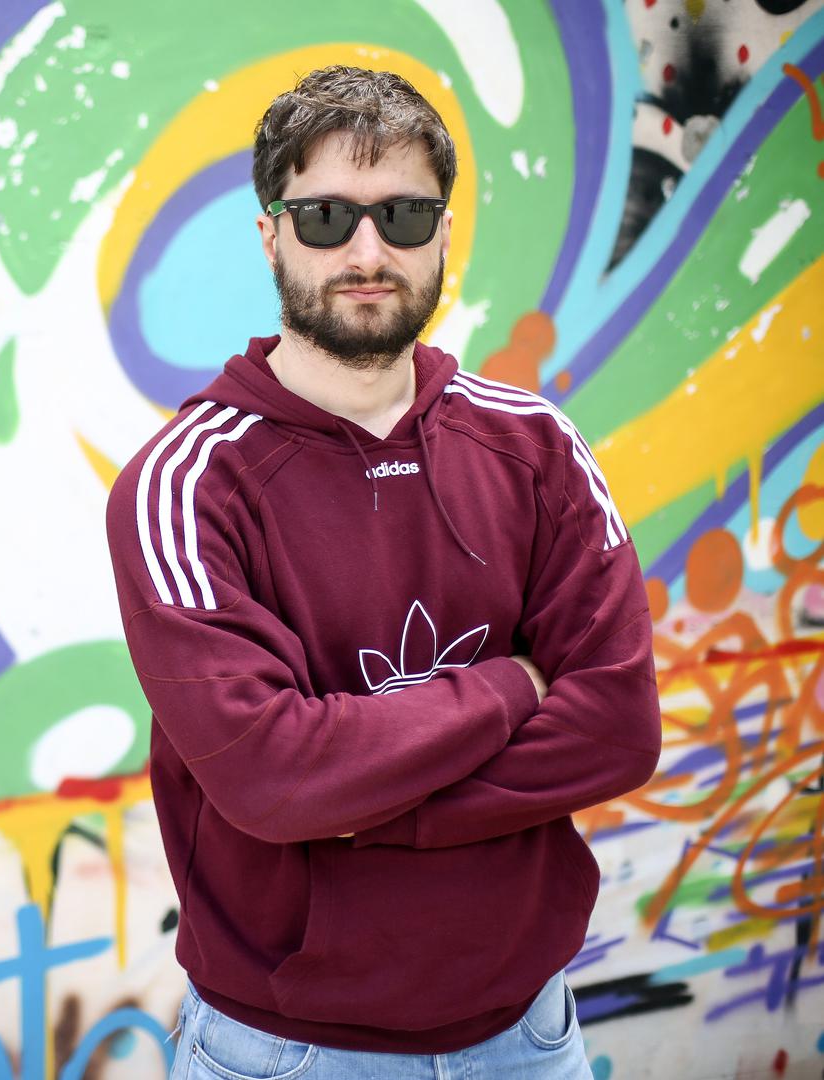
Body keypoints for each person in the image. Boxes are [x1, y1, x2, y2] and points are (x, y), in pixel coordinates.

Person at [103, 66, 661, 1078]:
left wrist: (353, 804)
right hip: (286, 1052)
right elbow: (270, 777)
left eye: (403, 215)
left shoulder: (534, 447)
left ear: (442, 233)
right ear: (269, 235)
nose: (366, 253)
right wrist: (509, 686)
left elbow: (616, 730)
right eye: (325, 217)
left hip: (528, 1037)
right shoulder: (184, 485)